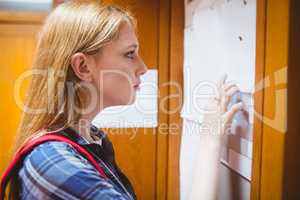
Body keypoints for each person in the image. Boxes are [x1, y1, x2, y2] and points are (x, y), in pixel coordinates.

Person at [5, 1, 243, 199]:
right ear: (83, 66)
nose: (143, 67)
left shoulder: (90, 139)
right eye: (130, 54)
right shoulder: (54, 164)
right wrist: (210, 141)